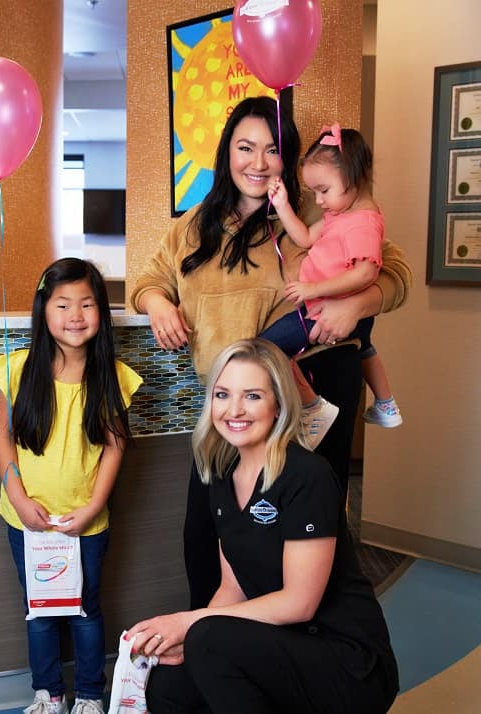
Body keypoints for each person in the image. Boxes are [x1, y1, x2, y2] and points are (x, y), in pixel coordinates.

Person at [130, 96, 411, 608]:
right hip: (231, 408)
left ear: (290, 159)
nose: (258, 163)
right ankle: (213, 646)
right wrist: (157, 304)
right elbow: (149, 278)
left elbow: (393, 272)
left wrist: (357, 306)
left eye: (273, 150)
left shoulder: (315, 212)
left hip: (314, 390)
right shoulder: (194, 226)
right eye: (246, 147)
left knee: (306, 546)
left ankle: (308, 671)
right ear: (226, 152)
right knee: (207, 535)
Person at [126, 339, 399, 714]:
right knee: (170, 684)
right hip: (280, 641)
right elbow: (232, 586)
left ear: (278, 405)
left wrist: (189, 624)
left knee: (207, 638)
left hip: (348, 661)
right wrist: (187, 636)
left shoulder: (307, 475)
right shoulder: (221, 473)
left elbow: (300, 603)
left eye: (252, 396)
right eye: (222, 394)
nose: (234, 409)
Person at [0, 258, 142, 714]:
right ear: (44, 309)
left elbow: (115, 447)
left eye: (87, 304)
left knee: (85, 609)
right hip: (27, 520)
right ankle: (48, 692)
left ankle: (92, 694)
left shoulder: (111, 375)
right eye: (62, 304)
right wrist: (18, 499)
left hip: (86, 522)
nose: (75, 315)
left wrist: (95, 505)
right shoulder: (18, 369)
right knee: (38, 610)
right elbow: (2, 436)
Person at [261, 123, 403, 428]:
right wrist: (283, 205)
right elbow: (304, 238)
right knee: (365, 347)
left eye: (323, 190)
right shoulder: (340, 216)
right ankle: (386, 404)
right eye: (314, 192)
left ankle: (312, 407)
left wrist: (313, 289)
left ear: (354, 177)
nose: (319, 201)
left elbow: (367, 273)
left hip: (325, 311)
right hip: (331, 309)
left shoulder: (362, 223)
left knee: (265, 348)